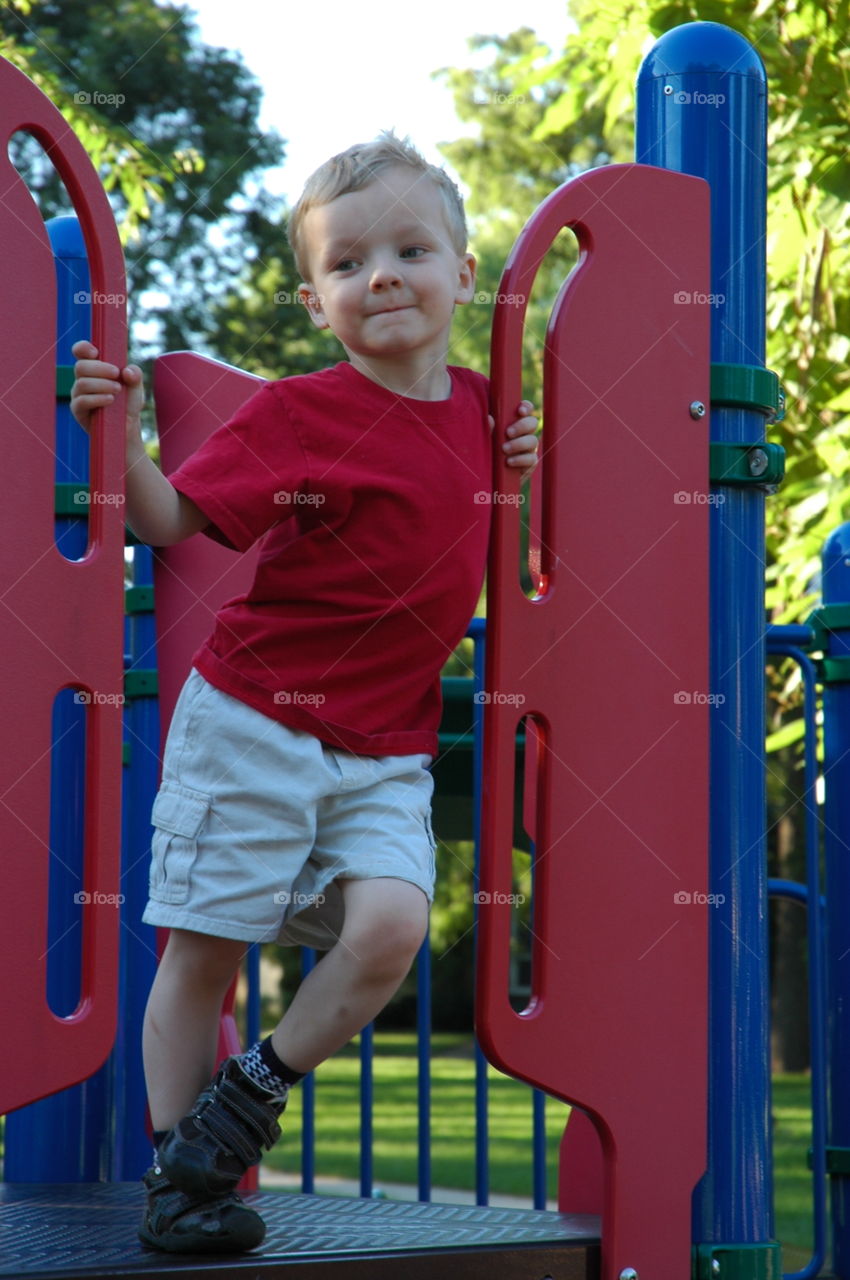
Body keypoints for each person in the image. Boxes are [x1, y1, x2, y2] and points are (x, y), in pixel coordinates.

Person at [71, 132, 538, 1256]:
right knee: (207, 948)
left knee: (388, 927)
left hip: (385, 747)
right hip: (252, 723)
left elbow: (531, 539)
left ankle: (251, 1090)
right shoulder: (296, 414)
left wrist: (531, 461)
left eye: (410, 249)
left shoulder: (487, 414)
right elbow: (168, 521)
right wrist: (115, 430)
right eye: (347, 264)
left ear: (463, 273)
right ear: (313, 300)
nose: (380, 274)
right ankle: (180, 1181)